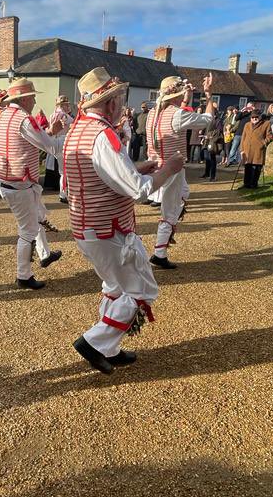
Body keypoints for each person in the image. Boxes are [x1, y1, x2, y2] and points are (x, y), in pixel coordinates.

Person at [62, 67, 184, 373]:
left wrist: (138, 168)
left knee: (115, 286)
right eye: (119, 96)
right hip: (108, 229)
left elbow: (101, 175)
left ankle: (110, 348)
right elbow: (138, 191)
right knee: (141, 289)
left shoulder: (77, 130)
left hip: (87, 227)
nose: (121, 102)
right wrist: (168, 169)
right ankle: (94, 342)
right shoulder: (103, 135)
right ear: (111, 102)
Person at [0, 77, 64, 289]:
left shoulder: (4, 116)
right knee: (27, 231)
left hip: (8, 180)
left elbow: (13, 142)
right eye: (32, 97)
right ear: (24, 99)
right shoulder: (24, 119)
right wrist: (63, 135)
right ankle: (23, 275)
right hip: (20, 183)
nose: (34, 101)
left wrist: (50, 133)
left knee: (35, 220)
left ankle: (44, 255)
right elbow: (52, 147)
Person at [149, 72, 214, 268]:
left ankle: (162, 246)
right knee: (170, 210)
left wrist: (186, 97)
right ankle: (159, 254)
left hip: (157, 165)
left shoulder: (153, 112)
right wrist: (209, 95)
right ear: (176, 96)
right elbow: (207, 119)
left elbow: (181, 113)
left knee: (183, 194)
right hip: (172, 168)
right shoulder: (176, 114)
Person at [44, 94, 73, 201]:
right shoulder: (64, 115)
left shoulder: (52, 114)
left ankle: (63, 193)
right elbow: (73, 124)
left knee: (62, 171)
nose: (67, 106)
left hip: (54, 141)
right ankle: (64, 194)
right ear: (62, 105)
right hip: (63, 141)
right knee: (64, 171)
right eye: (66, 104)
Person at [239, 109, 272, 189]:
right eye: (252, 117)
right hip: (247, 149)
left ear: (260, 117)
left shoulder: (266, 124)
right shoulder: (247, 124)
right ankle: (246, 184)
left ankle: (254, 184)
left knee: (256, 167)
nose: (254, 118)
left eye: (256, 117)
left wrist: (263, 143)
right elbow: (243, 137)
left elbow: (270, 137)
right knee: (247, 167)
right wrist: (242, 149)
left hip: (258, 150)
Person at [199, 105, 223, 182]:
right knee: (207, 158)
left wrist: (209, 136)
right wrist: (202, 133)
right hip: (206, 141)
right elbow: (205, 129)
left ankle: (213, 176)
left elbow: (219, 131)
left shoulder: (218, 121)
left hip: (213, 142)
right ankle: (207, 173)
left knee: (212, 159)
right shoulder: (208, 120)